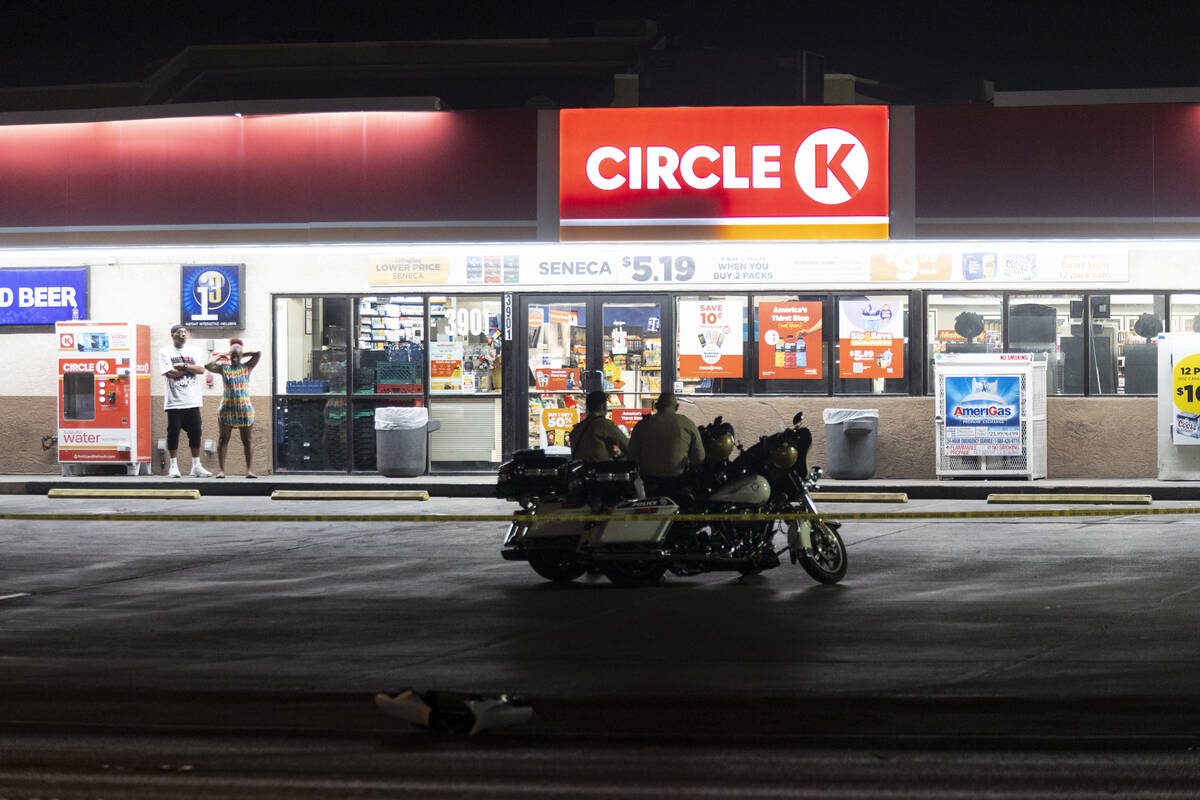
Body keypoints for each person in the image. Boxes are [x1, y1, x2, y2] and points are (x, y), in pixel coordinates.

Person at [627, 391, 705, 499]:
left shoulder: (642, 425)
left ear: (656, 406)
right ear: (677, 407)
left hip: (649, 484)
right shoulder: (687, 424)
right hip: (678, 484)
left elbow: (632, 457)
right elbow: (699, 458)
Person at [159, 324, 212, 478]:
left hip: (193, 401)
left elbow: (201, 370)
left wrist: (183, 365)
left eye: (184, 332)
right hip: (174, 402)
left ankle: (196, 466)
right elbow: (170, 373)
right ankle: (173, 466)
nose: (183, 334)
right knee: (173, 434)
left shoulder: (194, 351)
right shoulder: (165, 352)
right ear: (172, 335)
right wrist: (191, 368)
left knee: (196, 433)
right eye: (179, 332)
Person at [205, 338, 262, 478]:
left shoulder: (247, 367)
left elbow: (258, 354)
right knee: (223, 440)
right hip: (226, 410)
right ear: (229, 356)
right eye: (233, 355)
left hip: (244, 410)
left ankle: (249, 470)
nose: (235, 357)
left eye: (237, 355)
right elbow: (207, 366)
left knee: (247, 440)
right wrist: (220, 356)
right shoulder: (224, 368)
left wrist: (242, 352)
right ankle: (222, 471)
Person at [569, 390, 628, 463]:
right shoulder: (604, 425)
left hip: (580, 472)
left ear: (588, 407)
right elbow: (628, 447)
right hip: (600, 471)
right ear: (604, 406)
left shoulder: (577, 428)